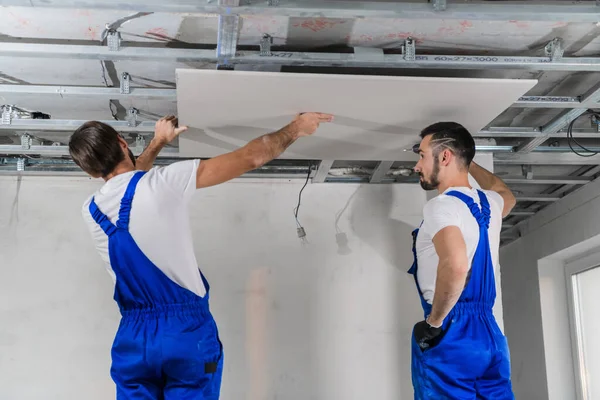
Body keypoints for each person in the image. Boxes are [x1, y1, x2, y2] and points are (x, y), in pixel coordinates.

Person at [68, 112, 333, 399]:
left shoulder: (91, 210)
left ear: (91, 172)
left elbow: (130, 179)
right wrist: (296, 128)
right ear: (121, 142)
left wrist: (158, 142)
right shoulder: (165, 182)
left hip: (133, 339)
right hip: (184, 332)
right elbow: (250, 157)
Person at [409, 122, 516, 399]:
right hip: (490, 335)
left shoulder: (441, 206)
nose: (417, 166)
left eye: (421, 155)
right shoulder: (490, 202)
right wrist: (468, 163)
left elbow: (456, 265)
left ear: (444, 157)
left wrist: (434, 324)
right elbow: (508, 195)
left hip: (451, 332)